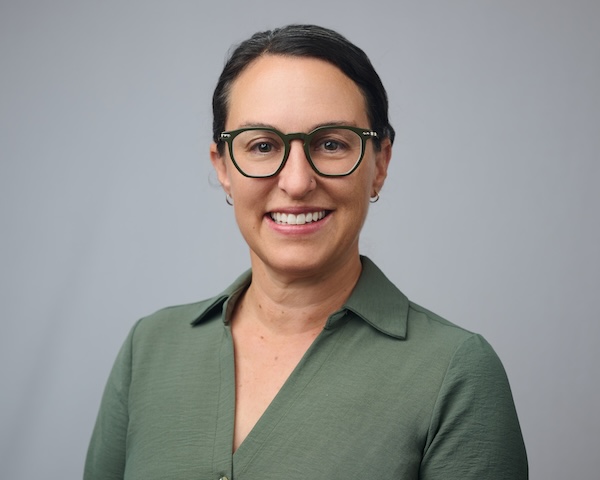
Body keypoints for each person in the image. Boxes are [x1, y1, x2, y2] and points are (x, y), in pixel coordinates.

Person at [84, 24, 527, 479]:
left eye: (331, 143)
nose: (296, 182)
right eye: (262, 145)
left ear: (380, 164)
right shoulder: (150, 349)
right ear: (223, 168)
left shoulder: (456, 372)